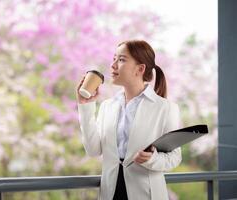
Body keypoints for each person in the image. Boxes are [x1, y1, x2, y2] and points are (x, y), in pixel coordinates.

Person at [76, 40, 182, 200]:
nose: (113, 65)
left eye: (121, 59)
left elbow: (174, 158)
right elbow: (93, 150)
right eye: (114, 58)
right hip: (109, 193)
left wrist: (152, 159)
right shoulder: (107, 106)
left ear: (140, 69)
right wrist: (86, 106)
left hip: (147, 195)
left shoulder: (166, 108)